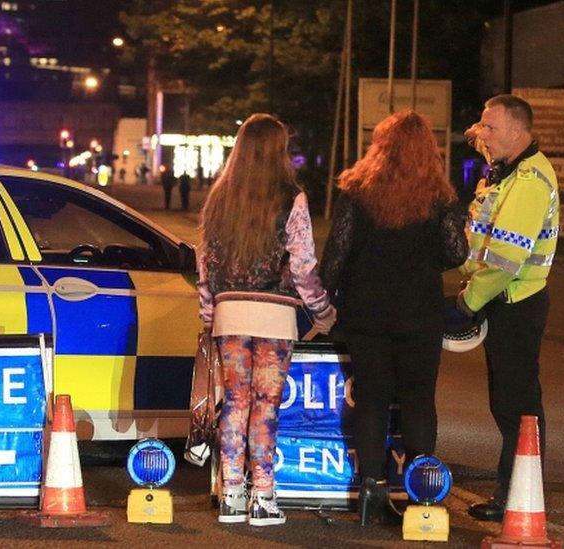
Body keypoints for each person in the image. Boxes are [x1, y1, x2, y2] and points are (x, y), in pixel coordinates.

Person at [321, 110, 468, 525]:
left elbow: (335, 257)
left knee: (372, 402)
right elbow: (456, 253)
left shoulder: (356, 190)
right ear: (429, 151)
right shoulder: (440, 197)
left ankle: (370, 490)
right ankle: (421, 494)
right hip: (419, 313)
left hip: (366, 312)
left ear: (379, 147)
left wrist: (319, 300)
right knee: (420, 401)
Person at [198, 113, 336, 527]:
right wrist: (323, 311)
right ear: (280, 150)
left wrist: (209, 314)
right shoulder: (291, 198)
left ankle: (232, 494)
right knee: (265, 406)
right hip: (276, 316)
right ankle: (263, 495)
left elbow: (204, 264)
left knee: (235, 402)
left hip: (230, 314)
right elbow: (303, 267)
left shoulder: (218, 199)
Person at [459, 94, 559, 522]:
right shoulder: (503, 174)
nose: (483, 133)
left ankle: (516, 495)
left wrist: (467, 301)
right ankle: (516, 491)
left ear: (519, 132)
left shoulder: (530, 180)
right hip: (503, 300)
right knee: (508, 402)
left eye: (491, 127)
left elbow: (504, 259)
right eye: (481, 125)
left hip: (515, 302)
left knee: (516, 404)